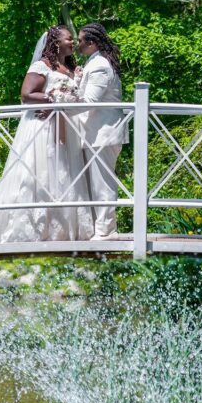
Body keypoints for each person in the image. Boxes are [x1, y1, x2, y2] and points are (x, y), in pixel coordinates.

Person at [0, 26, 94, 243]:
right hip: (43, 127)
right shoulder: (41, 66)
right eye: (69, 38)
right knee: (40, 171)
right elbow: (26, 94)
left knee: (65, 172)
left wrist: (66, 97)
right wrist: (53, 100)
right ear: (56, 42)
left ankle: (63, 228)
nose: (72, 42)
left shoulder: (71, 68)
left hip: (67, 128)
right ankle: (33, 228)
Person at [75, 23, 127, 240]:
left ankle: (106, 231)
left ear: (91, 42)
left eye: (80, 40)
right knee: (96, 182)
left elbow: (89, 101)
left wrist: (61, 100)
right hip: (97, 132)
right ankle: (101, 228)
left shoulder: (99, 65)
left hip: (103, 132)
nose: (77, 45)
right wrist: (78, 80)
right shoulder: (94, 62)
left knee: (102, 182)